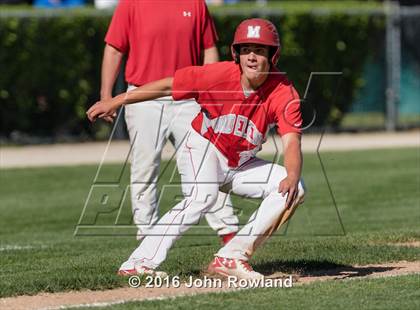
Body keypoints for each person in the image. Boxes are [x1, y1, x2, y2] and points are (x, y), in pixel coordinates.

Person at [87, 18, 305, 280]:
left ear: (273, 56)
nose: (252, 57)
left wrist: (291, 175)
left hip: (240, 162)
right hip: (204, 145)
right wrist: (116, 101)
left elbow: (291, 141)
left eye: (259, 50)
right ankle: (137, 263)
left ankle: (232, 256)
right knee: (203, 196)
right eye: (246, 49)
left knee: (295, 188)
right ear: (236, 53)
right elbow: (167, 85)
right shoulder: (218, 75)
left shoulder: (283, 91)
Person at [99, 0, 238, 242]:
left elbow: (208, 49)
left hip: (189, 98)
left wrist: (213, 93)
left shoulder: (196, 3)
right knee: (144, 168)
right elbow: (114, 48)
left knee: (206, 164)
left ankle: (229, 236)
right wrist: (106, 95)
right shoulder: (131, 4)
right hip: (143, 98)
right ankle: (147, 236)